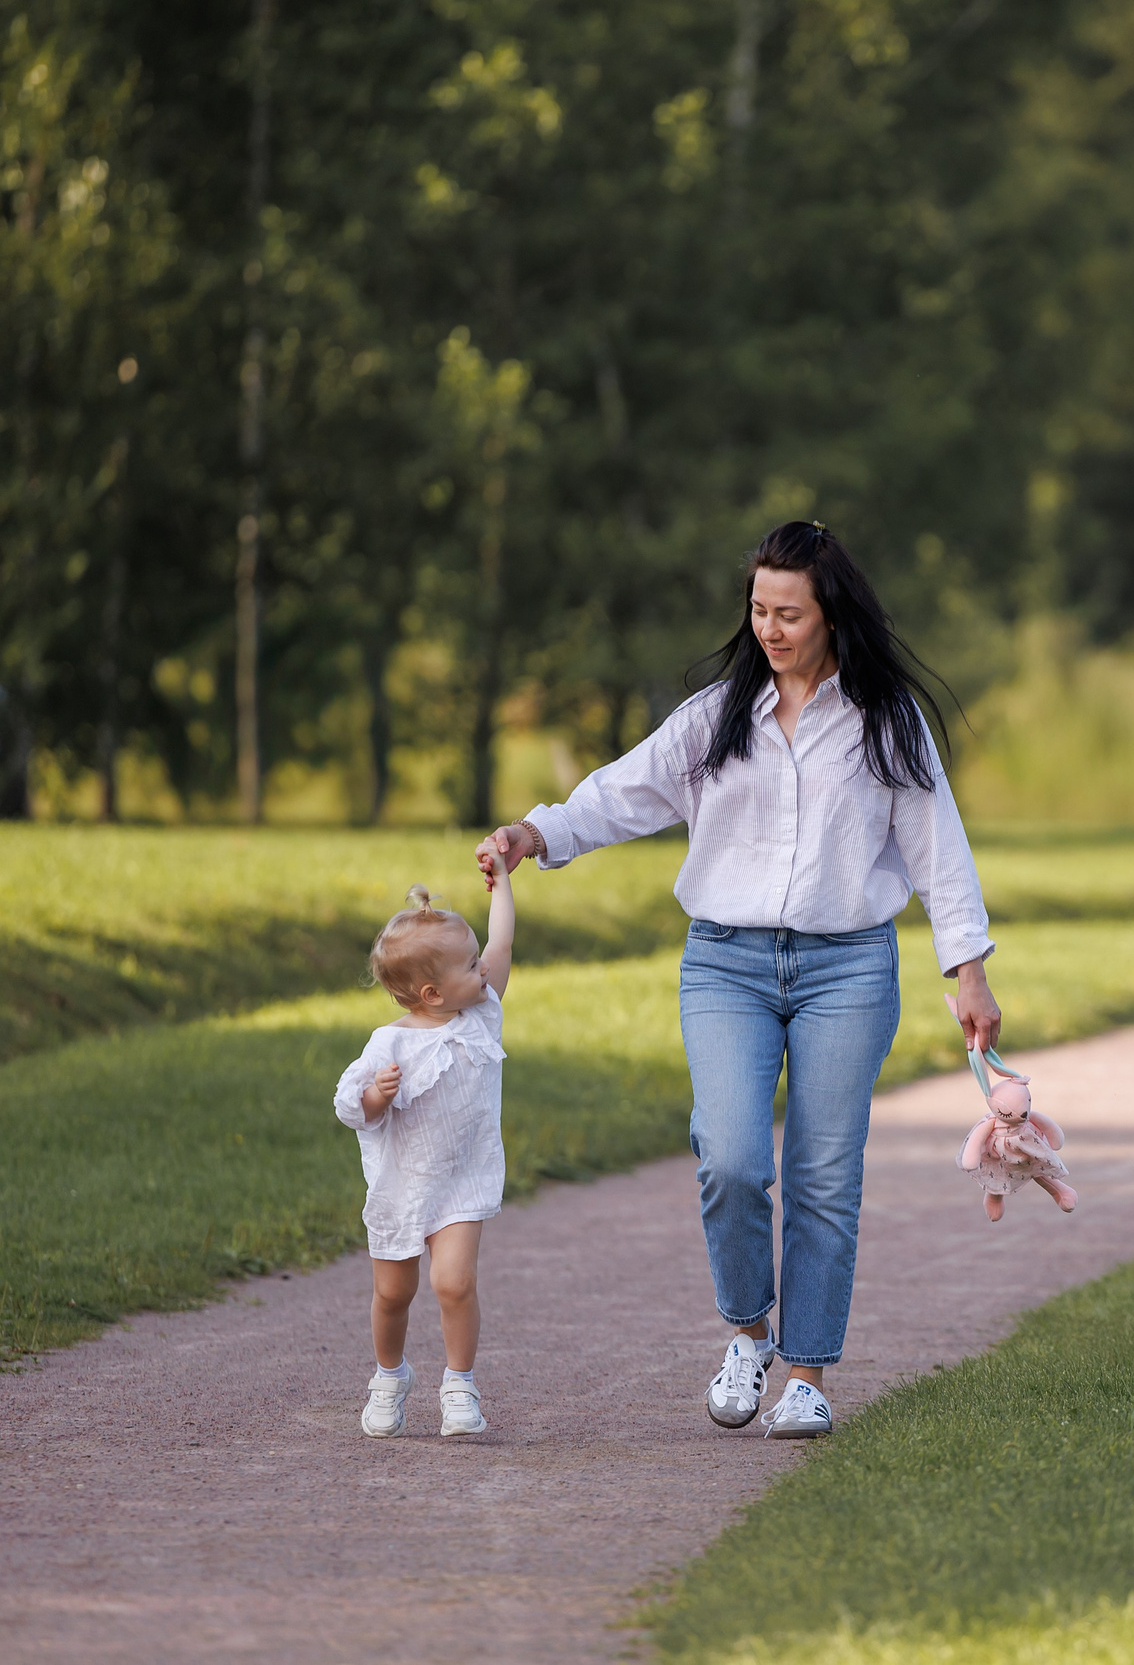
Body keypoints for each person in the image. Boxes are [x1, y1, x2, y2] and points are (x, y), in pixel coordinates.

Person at [475, 521, 1000, 1439]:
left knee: (823, 1173)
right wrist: (535, 833)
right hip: (726, 961)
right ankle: (749, 1333)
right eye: (759, 609)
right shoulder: (716, 716)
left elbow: (939, 853)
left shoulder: (886, 721)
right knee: (730, 1157)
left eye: (789, 613)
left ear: (831, 614)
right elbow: (622, 793)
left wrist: (969, 972)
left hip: (847, 967)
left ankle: (807, 1373)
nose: (769, 628)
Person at [333, 874, 516, 1438]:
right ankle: (390, 1375)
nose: (483, 971)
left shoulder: (480, 1013)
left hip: (462, 1181)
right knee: (393, 1293)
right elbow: (351, 1107)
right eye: (470, 966)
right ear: (432, 994)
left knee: (454, 1283)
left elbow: (503, 943)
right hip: (402, 1186)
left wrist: (502, 884)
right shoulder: (388, 1043)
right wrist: (375, 1095)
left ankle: (460, 1384)